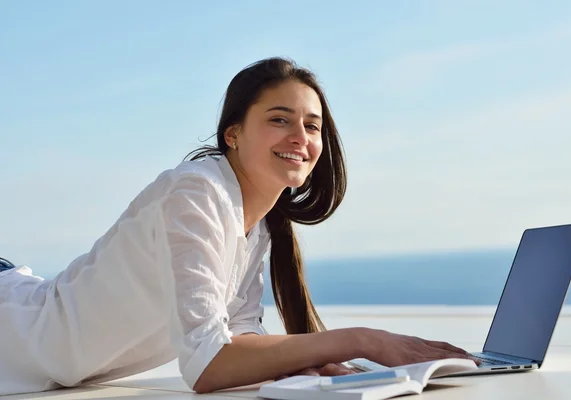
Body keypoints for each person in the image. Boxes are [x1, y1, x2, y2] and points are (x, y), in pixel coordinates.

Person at [0, 57, 475, 396]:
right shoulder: (195, 193)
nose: (300, 137)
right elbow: (206, 366)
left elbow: (238, 338)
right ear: (233, 133)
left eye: (312, 126)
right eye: (279, 119)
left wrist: (309, 362)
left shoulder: (257, 224)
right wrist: (363, 339)